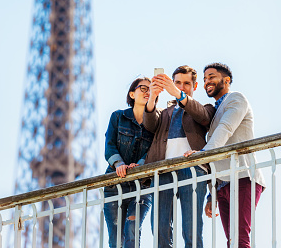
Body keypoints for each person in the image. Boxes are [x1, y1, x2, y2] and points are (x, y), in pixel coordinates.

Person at [185, 63, 265, 248]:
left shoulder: (237, 99)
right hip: (222, 184)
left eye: (211, 77)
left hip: (243, 176)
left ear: (226, 80)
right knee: (231, 240)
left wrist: (204, 154)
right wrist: (211, 195)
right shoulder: (215, 111)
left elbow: (226, 128)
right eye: (205, 79)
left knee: (240, 237)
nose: (207, 82)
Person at [143, 66, 215, 248]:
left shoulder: (204, 107)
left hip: (193, 170)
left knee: (191, 230)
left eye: (186, 84)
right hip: (163, 171)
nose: (181, 87)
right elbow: (149, 124)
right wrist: (152, 96)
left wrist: (177, 93)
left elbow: (203, 116)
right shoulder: (164, 112)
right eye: (177, 83)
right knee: (160, 230)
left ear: (195, 86)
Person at [104, 77, 154, 248]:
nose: (147, 91)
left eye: (150, 89)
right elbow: (109, 146)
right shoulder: (118, 117)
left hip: (142, 186)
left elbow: (153, 150)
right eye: (143, 88)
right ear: (132, 94)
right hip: (114, 185)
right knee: (115, 240)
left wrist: (140, 164)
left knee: (132, 230)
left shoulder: (154, 123)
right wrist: (119, 164)